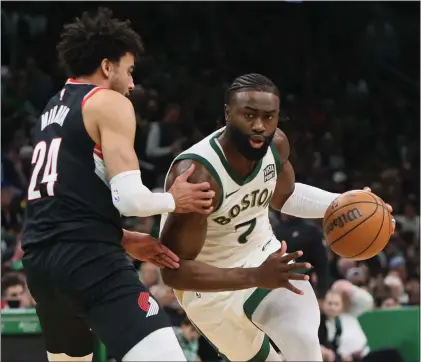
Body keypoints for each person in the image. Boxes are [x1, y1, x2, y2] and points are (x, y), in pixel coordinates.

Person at [21, 8, 215, 362]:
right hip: (89, 260)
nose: (132, 83)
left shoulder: (50, 112)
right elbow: (129, 200)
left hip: (40, 266)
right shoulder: (108, 102)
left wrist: (123, 239)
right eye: (128, 70)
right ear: (107, 67)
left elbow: (62, 203)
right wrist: (174, 200)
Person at [159, 73, 394, 362]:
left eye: (269, 117)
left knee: (303, 343)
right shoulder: (200, 176)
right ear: (227, 114)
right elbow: (173, 271)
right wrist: (254, 276)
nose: (260, 126)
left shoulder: (275, 145)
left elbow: (285, 196)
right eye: (249, 115)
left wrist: (347, 203)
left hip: (265, 257)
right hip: (208, 288)